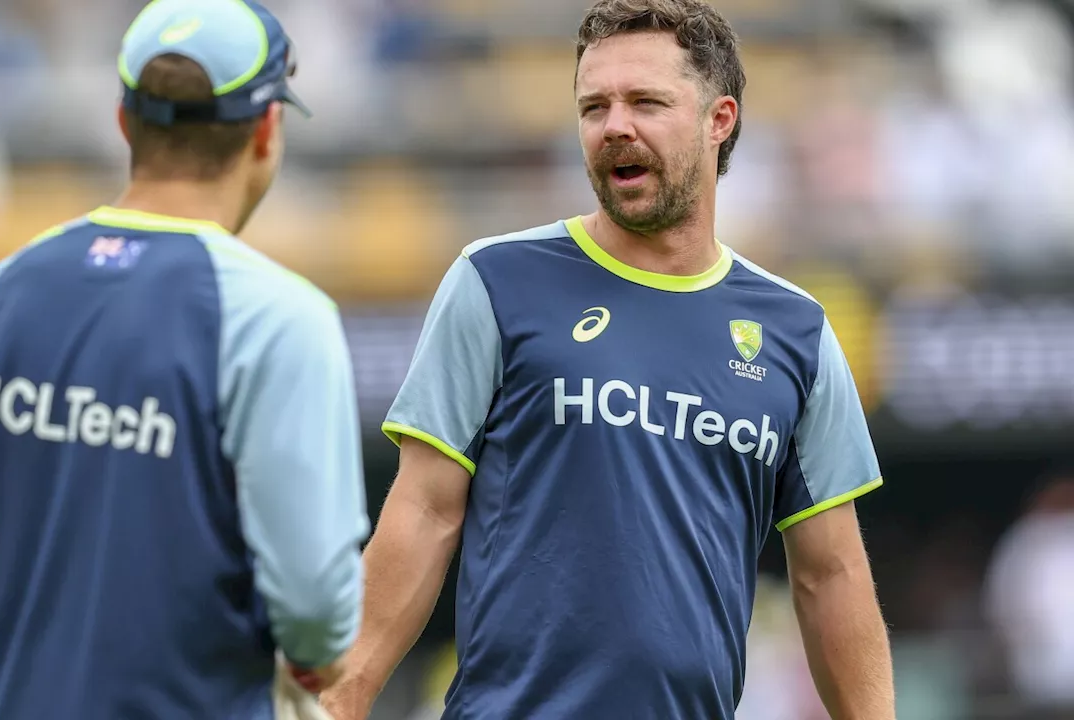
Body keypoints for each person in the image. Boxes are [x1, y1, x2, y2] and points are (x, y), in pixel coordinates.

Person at [319, 1, 895, 718]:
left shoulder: (796, 331)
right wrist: (339, 701)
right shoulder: (497, 280)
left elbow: (830, 574)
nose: (614, 125)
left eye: (646, 102)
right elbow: (425, 511)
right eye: (594, 106)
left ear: (720, 119)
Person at [0, 1, 369, 718]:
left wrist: (48, 611)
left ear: (124, 121)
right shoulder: (282, 317)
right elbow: (316, 610)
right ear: (266, 129)